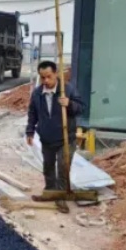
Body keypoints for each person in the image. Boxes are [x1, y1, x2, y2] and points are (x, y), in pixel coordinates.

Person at [25, 60, 84, 214]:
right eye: (42, 77)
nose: (46, 81)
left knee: (63, 168)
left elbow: (81, 108)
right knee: (48, 167)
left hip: (66, 138)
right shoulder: (38, 93)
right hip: (47, 138)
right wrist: (30, 131)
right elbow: (33, 113)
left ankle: (61, 198)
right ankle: (50, 193)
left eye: (49, 77)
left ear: (56, 74)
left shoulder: (68, 90)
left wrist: (69, 104)